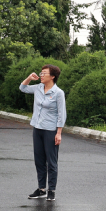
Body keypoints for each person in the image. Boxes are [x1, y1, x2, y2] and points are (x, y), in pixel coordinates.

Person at [20, 65, 67, 201]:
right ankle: (41, 190)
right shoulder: (38, 88)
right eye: (41, 73)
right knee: (39, 161)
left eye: (44, 73)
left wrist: (59, 133)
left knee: (51, 162)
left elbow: (61, 114)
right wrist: (29, 78)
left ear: (52, 76)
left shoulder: (58, 93)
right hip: (37, 128)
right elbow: (23, 88)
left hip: (50, 130)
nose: (41, 75)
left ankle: (51, 190)